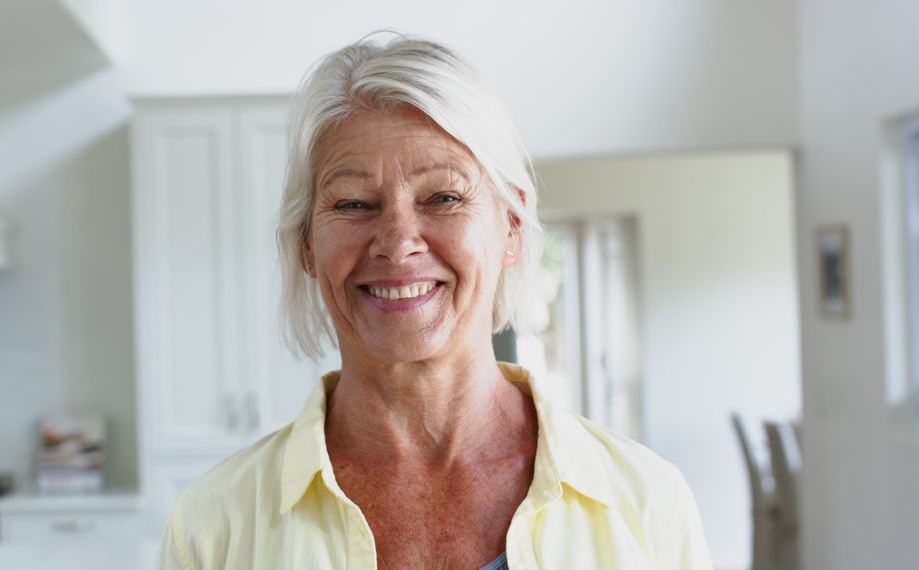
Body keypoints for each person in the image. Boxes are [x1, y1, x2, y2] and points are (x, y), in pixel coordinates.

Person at [157, 33, 713, 570]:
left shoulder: (648, 504)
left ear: (511, 227)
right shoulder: (212, 529)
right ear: (307, 243)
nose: (398, 243)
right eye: (353, 204)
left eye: (444, 197)